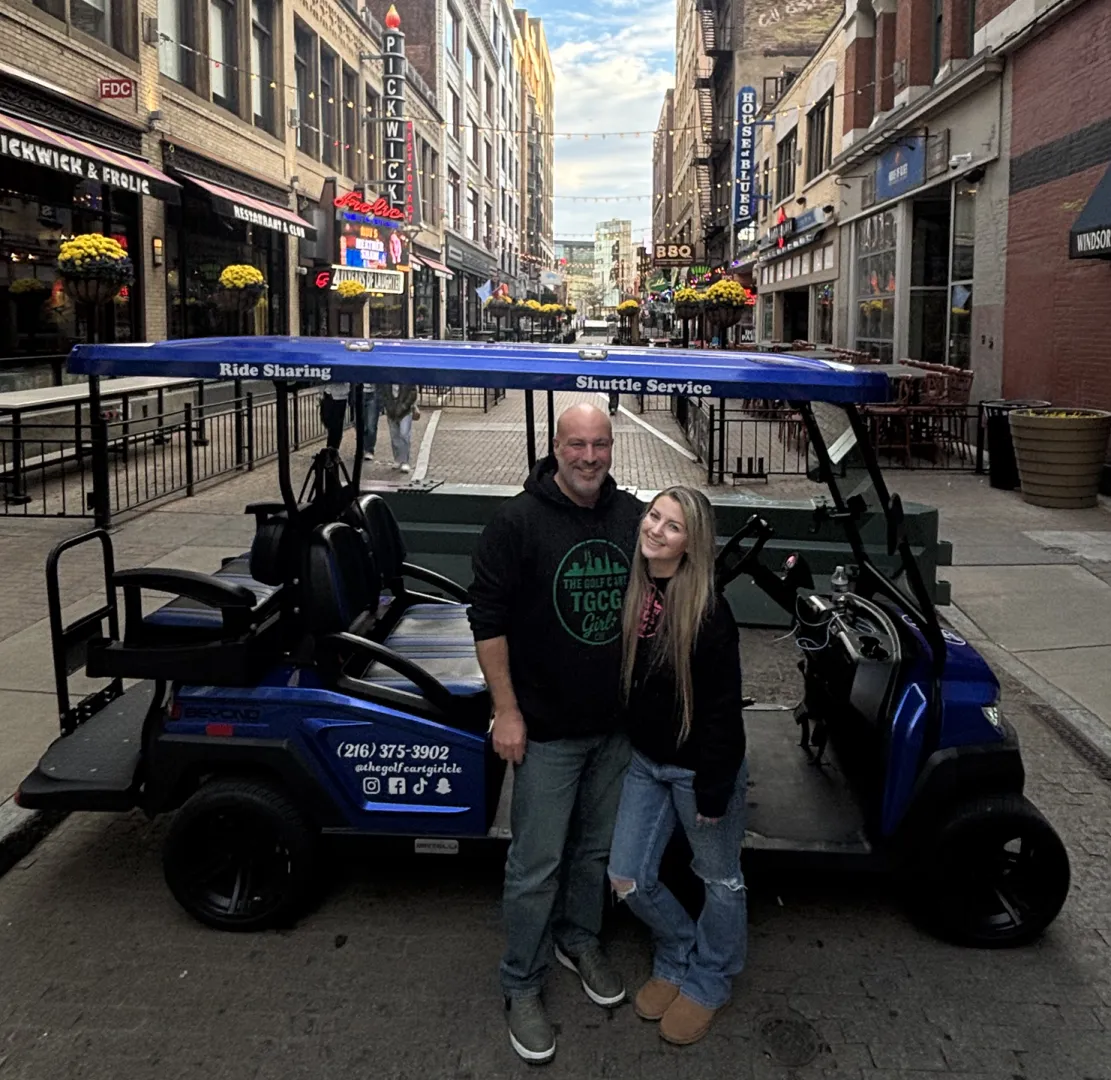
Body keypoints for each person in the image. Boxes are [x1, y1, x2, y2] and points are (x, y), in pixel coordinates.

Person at [468, 403, 644, 1064]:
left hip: (614, 727)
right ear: (556, 447)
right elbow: (486, 619)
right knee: (535, 864)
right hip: (544, 730)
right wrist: (506, 711)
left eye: (600, 444)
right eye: (578, 444)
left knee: (595, 852)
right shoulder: (516, 522)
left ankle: (579, 939)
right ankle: (520, 983)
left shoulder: (629, 516)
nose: (590, 457)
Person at [607, 486, 747, 1047]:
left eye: (672, 527)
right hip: (647, 762)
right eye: (653, 517)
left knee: (720, 880)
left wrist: (713, 791)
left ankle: (710, 978)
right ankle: (677, 948)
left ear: (692, 545)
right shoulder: (638, 589)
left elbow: (722, 711)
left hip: (699, 772)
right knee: (627, 876)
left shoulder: (710, 611)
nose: (655, 531)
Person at [377, 383, 419, 473]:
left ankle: (405, 461)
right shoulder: (387, 378)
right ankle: (398, 458)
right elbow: (382, 392)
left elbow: (413, 392)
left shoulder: (406, 375)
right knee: (394, 435)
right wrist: (387, 405)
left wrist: (405, 406)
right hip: (391, 409)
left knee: (404, 434)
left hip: (405, 410)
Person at [318, 380, 351, 451]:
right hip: (327, 392)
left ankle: (333, 448)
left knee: (337, 425)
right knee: (326, 419)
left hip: (340, 395)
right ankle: (331, 448)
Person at [362, 383, 380, 462]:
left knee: (371, 425)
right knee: (361, 425)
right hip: (360, 392)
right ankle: (362, 447)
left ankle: (369, 449)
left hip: (373, 393)